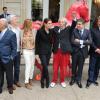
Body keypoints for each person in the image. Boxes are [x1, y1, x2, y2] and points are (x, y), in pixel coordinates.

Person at [50, 13, 77, 88]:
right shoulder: (55, 28)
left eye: (62, 22)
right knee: (55, 67)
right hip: (56, 51)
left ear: (65, 23)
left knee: (63, 67)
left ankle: (62, 80)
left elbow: (73, 26)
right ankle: (54, 80)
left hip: (65, 51)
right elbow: (49, 31)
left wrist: (74, 18)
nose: (61, 23)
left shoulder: (68, 29)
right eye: (60, 22)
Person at [69, 18, 92, 88]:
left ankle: (78, 80)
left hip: (83, 53)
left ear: (83, 25)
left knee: (81, 67)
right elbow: (72, 41)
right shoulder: (74, 31)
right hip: (75, 52)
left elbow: (90, 42)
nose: (78, 25)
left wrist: (80, 41)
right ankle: (73, 79)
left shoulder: (87, 31)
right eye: (77, 24)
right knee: (73, 66)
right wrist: (84, 42)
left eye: (79, 24)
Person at [0, 18, 17, 94]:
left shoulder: (11, 34)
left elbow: (14, 48)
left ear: (3, 25)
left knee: (9, 74)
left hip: (8, 58)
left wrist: (11, 57)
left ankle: (10, 87)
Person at [35, 18, 52, 88]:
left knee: (45, 67)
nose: (50, 25)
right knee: (44, 66)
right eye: (49, 23)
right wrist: (36, 53)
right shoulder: (39, 31)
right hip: (42, 52)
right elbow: (37, 42)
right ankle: (47, 79)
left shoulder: (51, 31)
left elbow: (51, 42)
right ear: (45, 24)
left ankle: (42, 79)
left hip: (48, 52)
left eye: (51, 23)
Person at [86, 16, 100, 88]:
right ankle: (90, 80)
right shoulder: (92, 30)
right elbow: (91, 41)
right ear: (97, 21)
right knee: (92, 66)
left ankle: (94, 79)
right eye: (99, 20)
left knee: (97, 67)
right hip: (94, 51)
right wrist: (96, 49)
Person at [8, 15, 22, 89]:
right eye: (15, 19)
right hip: (10, 52)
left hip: (18, 51)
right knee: (11, 68)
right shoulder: (8, 29)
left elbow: (19, 40)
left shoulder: (18, 29)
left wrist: (21, 49)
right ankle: (10, 83)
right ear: (11, 21)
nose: (17, 20)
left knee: (17, 68)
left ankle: (16, 81)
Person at [22, 19, 35, 90]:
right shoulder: (22, 31)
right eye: (31, 23)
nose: (32, 24)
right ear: (28, 24)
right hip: (26, 50)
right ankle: (26, 82)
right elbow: (22, 41)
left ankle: (30, 79)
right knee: (28, 65)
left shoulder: (32, 31)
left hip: (32, 50)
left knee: (32, 66)